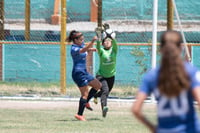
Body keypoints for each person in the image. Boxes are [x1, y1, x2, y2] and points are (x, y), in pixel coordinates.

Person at [132, 30, 200, 133]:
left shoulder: (151, 76)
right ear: (181, 48)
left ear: (161, 50)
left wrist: (153, 128)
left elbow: (136, 109)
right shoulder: (191, 72)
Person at [68, 30, 102, 121]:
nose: (82, 40)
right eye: (81, 39)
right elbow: (83, 50)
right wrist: (92, 42)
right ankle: (79, 114)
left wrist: (92, 49)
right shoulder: (74, 48)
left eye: (83, 39)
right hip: (78, 73)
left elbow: (85, 49)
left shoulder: (81, 45)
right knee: (84, 94)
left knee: (98, 85)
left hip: (84, 72)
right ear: (75, 40)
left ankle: (86, 102)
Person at [86, 26, 118, 118]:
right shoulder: (101, 51)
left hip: (111, 76)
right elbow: (98, 46)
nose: (107, 42)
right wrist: (99, 38)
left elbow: (115, 44)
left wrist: (112, 37)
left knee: (106, 92)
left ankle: (96, 95)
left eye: (109, 41)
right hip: (101, 75)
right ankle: (104, 108)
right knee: (105, 90)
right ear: (103, 43)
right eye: (105, 41)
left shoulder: (114, 51)